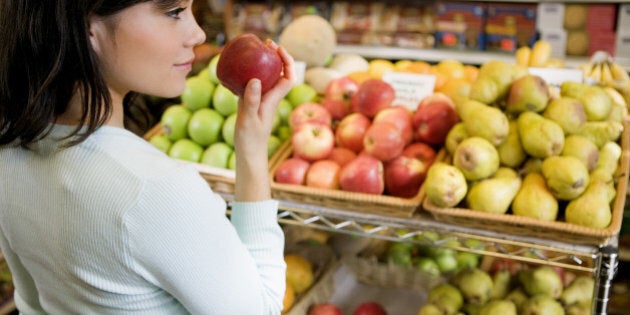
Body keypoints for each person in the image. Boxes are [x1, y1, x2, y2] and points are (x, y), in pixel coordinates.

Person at [0, 0, 296, 314]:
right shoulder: (152, 188)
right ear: (88, 27)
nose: (197, 34)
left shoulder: (9, 152)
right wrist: (252, 150)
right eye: (173, 12)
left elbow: (32, 303)